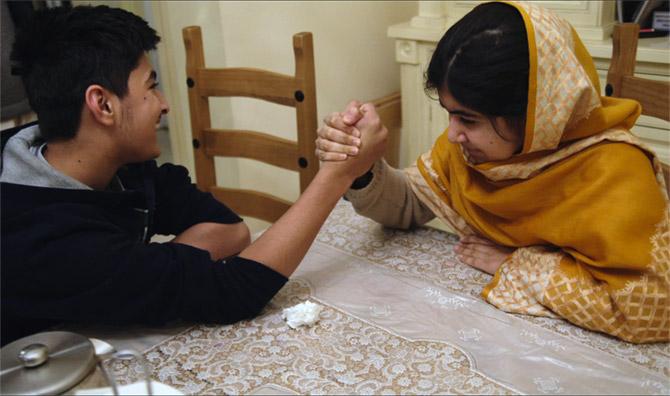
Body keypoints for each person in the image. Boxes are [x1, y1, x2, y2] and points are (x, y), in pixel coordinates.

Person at [0, 5, 387, 345]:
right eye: (152, 87)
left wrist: (149, 271)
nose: (165, 105)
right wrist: (338, 175)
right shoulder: (44, 238)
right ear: (102, 104)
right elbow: (235, 292)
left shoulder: (113, 165)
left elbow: (230, 228)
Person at [316, 1, 668, 343]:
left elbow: (650, 310)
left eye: (468, 119)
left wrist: (517, 265)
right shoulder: (471, 153)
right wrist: (361, 170)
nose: (452, 135)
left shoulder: (617, 174)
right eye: (449, 113)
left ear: (536, 115)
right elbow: (410, 202)